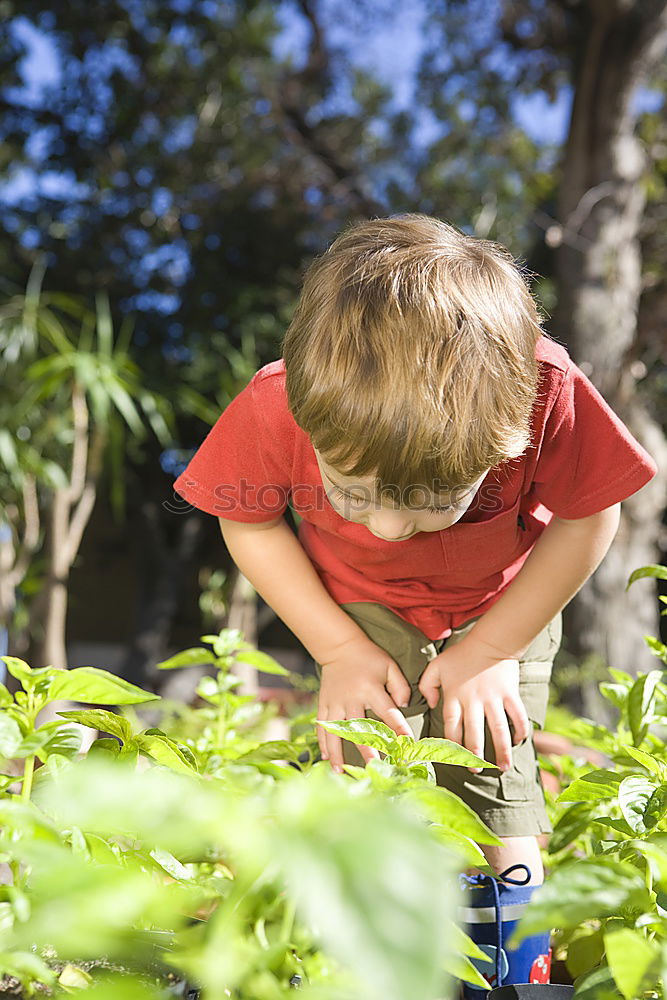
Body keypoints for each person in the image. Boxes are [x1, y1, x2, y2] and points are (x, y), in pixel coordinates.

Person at [173, 213, 657, 987]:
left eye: (436, 500)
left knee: (496, 781)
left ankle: (513, 971)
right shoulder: (277, 403)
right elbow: (249, 519)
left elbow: (589, 515)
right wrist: (337, 650)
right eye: (352, 494)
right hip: (357, 612)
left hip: (503, 609)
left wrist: (493, 650)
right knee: (363, 776)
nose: (391, 528)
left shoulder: (546, 391)